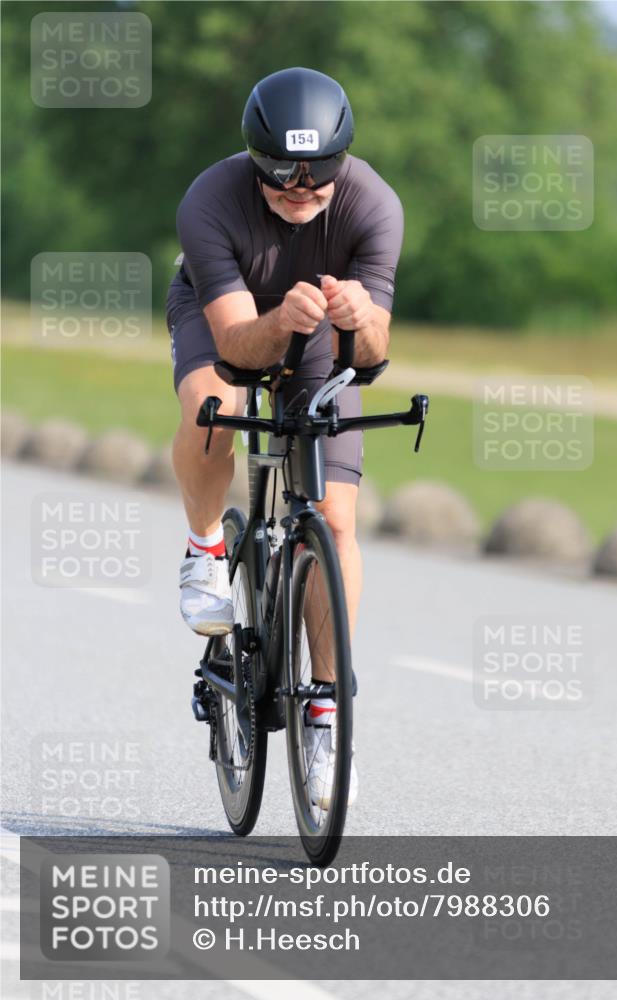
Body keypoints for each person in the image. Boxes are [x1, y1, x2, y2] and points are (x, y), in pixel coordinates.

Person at [168, 66, 403, 807]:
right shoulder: (209, 198)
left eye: (315, 184)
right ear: (255, 162)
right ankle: (206, 547)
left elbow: (372, 361)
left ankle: (328, 711)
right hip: (229, 321)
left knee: (333, 523)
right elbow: (237, 346)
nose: (299, 196)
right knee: (213, 405)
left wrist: (361, 319)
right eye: (280, 183)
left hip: (318, 341)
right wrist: (282, 322)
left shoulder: (374, 206)